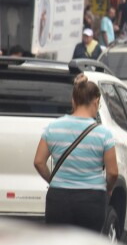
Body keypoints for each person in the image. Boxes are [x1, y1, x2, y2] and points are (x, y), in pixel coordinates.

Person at [32, 75, 118, 232]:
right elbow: (112, 173)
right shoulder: (103, 133)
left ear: (73, 101)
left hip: (58, 198)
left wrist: (53, 180)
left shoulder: (53, 127)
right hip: (92, 199)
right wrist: (108, 188)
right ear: (96, 101)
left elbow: (38, 161)